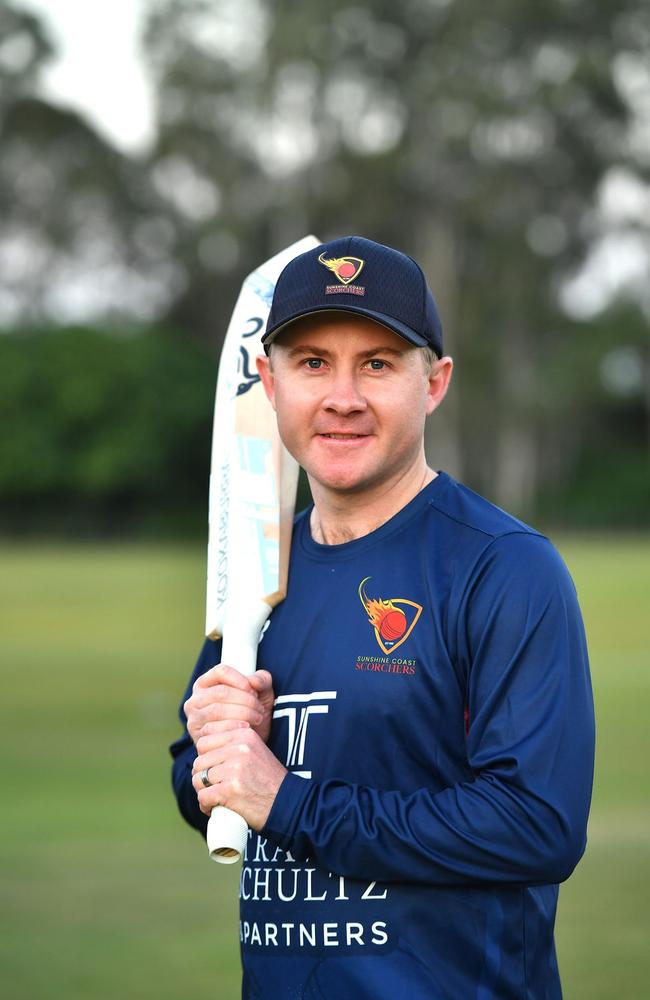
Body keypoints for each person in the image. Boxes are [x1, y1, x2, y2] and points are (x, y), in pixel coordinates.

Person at [170, 236, 595, 999]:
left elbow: (536, 825)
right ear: (268, 383)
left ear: (433, 383)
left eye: (377, 363)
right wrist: (212, 753)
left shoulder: (503, 569)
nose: (342, 397)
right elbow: (206, 785)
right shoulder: (257, 570)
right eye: (311, 363)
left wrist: (287, 802)